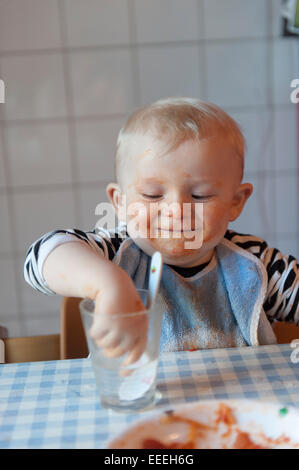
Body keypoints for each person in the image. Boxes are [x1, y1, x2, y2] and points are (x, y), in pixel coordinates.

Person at [24, 97, 299, 364]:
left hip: (239, 407)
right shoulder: (116, 251)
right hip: (144, 407)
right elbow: (41, 257)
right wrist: (108, 284)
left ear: (235, 202)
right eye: (152, 195)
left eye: (200, 195)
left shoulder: (256, 264)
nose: (176, 209)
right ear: (120, 202)